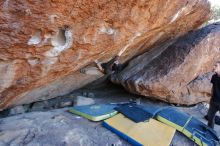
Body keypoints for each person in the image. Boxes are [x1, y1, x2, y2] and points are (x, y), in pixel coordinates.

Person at [207, 61, 220, 129]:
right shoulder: (214, 77)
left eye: (216, 66)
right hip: (214, 101)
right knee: (210, 117)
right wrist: (211, 98)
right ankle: (210, 132)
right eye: (214, 65)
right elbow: (213, 87)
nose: (214, 67)